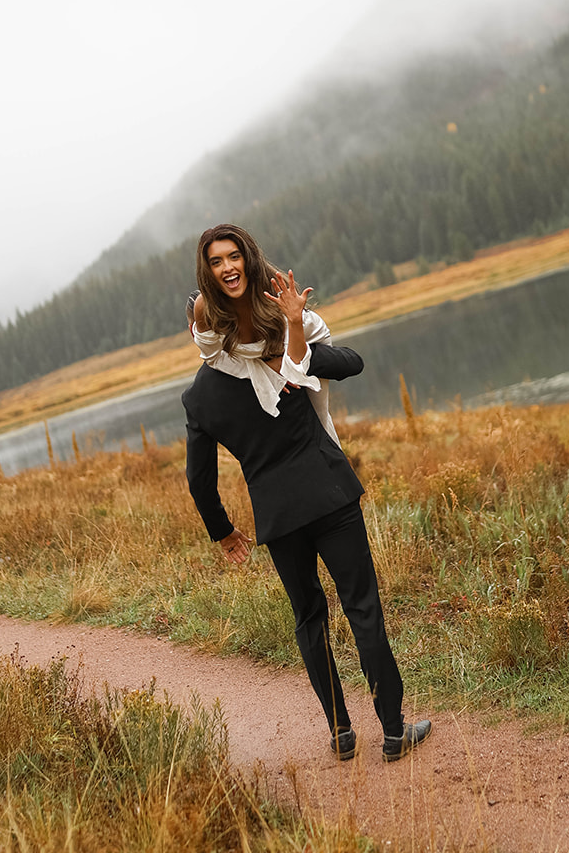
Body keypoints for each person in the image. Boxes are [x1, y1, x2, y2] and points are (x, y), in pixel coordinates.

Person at [182, 223, 431, 763]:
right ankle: (393, 729)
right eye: (218, 262)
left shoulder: (201, 394)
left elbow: (198, 478)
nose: (228, 268)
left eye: (232, 258)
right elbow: (352, 362)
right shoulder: (285, 362)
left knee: (309, 618)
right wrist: (296, 330)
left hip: (278, 515)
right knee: (362, 608)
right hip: (329, 493)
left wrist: (223, 530)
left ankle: (341, 732)